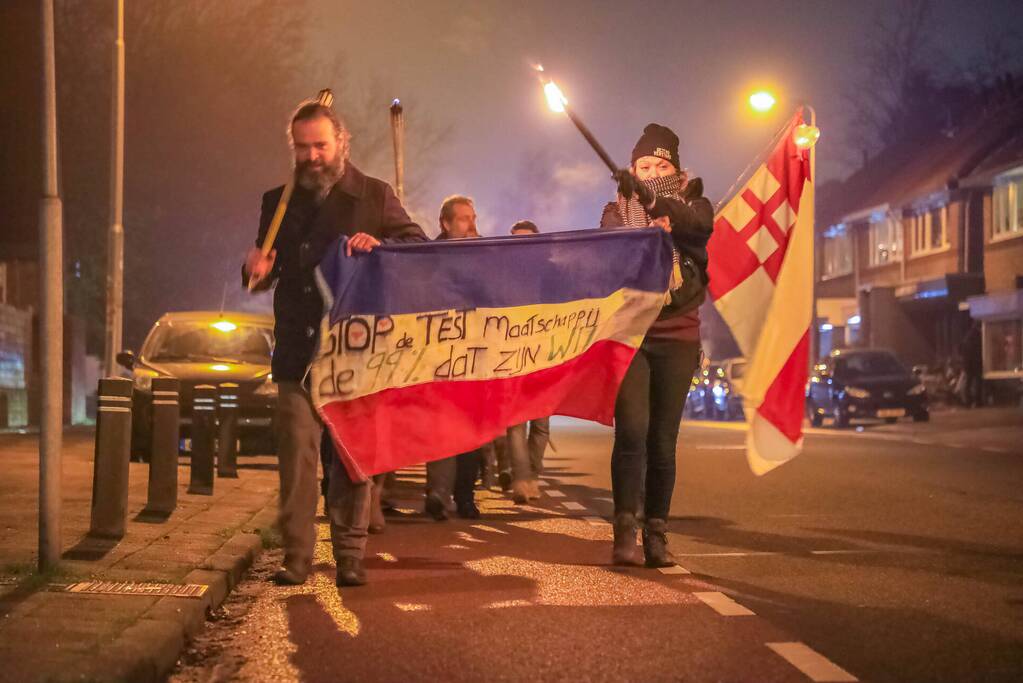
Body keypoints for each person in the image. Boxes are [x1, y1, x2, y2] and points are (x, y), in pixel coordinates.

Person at [244, 96, 426, 587]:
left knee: (350, 458)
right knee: (298, 460)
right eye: (302, 148)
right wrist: (256, 271)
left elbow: (418, 247)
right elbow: (267, 269)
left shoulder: (373, 194)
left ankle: (349, 553)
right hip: (297, 349)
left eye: (320, 146)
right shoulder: (277, 201)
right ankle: (297, 558)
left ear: (341, 142)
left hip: (354, 352)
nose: (311, 157)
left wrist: (380, 245)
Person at [599, 123, 713, 567]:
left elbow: (699, 226)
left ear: (678, 172)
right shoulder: (614, 211)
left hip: (678, 337)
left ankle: (657, 534)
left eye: (661, 166)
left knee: (663, 442)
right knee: (630, 433)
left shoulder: (696, 205)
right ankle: (624, 528)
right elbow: (611, 252)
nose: (651, 173)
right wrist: (645, 224)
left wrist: (661, 209)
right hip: (632, 335)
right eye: (643, 167)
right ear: (630, 171)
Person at [423, 195, 485, 520]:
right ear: (445, 224)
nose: (471, 224)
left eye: (473, 217)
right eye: (462, 218)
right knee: (441, 426)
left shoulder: (485, 256)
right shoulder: (429, 257)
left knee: (470, 428)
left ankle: (465, 496)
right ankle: (437, 493)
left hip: (473, 352)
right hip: (439, 352)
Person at [505, 220, 551, 504]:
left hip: (544, 355)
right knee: (515, 422)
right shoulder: (502, 276)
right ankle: (521, 479)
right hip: (511, 355)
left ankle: (533, 474)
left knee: (542, 423)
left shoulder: (549, 276)